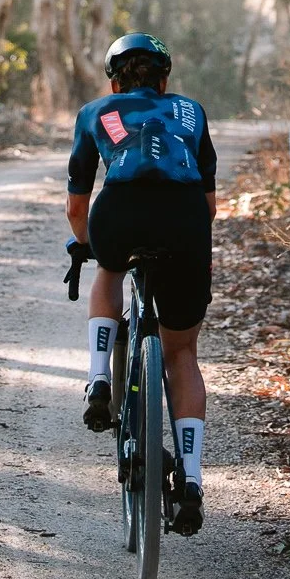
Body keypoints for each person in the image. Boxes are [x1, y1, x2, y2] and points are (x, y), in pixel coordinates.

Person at [66, 31, 215, 537]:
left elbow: (77, 205)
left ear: (113, 80)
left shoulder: (96, 113)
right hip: (185, 219)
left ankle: (99, 379)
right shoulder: (191, 112)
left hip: (120, 212)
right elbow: (210, 204)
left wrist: (87, 243)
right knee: (182, 355)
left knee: (109, 267)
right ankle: (191, 480)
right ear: (165, 78)